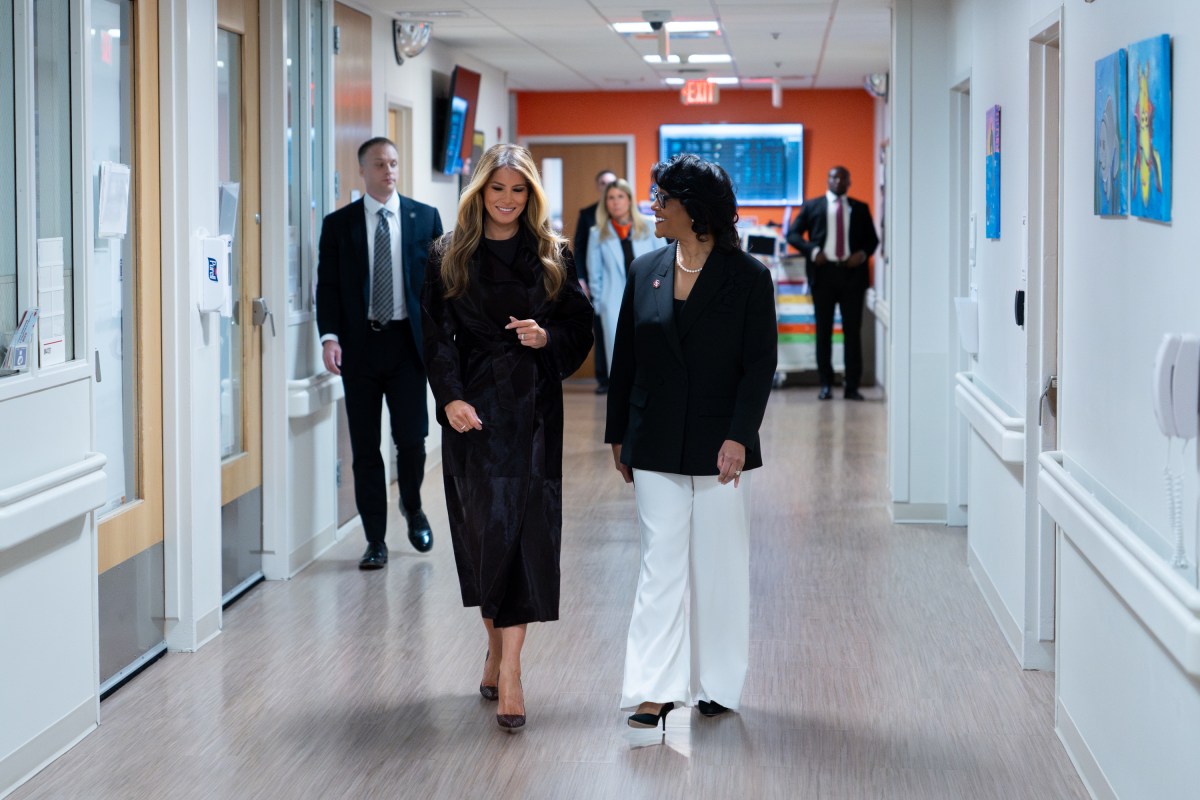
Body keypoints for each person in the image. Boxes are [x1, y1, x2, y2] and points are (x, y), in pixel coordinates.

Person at [422, 143, 594, 732]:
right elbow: (435, 337)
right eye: (497, 188)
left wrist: (546, 338)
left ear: (531, 195)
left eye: (519, 190)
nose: (507, 200)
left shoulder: (554, 253)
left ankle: (513, 671)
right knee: (483, 536)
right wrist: (450, 399)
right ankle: (493, 648)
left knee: (524, 535)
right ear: (478, 191)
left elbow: (580, 324)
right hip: (472, 413)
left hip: (534, 411)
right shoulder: (447, 254)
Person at [605, 153, 777, 730]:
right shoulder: (645, 269)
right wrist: (618, 434)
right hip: (653, 439)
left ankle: (717, 684)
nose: (653, 206)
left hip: (721, 445)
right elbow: (626, 359)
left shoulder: (748, 276)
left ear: (695, 209)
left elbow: (759, 366)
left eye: (663, 198)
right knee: (660, 564)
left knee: (719, 564)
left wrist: (740, 436)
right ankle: (653, 690)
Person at [316, 137, 443, 569]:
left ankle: (412, 505)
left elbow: (440, 285)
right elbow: (328, 286)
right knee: (366, 447)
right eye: (379, 164)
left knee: (412, 441)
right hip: (361, 348)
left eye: (393, 163)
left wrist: (444, 338)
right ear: (362, 170)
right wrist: (329, 337)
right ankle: (374, 540)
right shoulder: (340, 225)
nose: (388, 171)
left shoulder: (425, 217)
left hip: (408, 346)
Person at [786, 165, 880, 400]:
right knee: (824, 331)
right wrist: (812, 251)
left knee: (852, 332)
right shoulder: (812, 206)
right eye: (833, 177)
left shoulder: (859, 208)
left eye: (842, 178)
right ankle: (826, 384)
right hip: (823, 274)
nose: (838, 181)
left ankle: (852, 386)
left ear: (849, 182)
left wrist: (862, 255)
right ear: (828, 180)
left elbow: (872, 240)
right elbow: (793, 234)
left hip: (852, 275)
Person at [586, 178, 659, 369]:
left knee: (648, 354)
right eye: (610, 198)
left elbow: (663, 263)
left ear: (629, 199)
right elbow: (594, 273)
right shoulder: (597, 233)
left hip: (648, 299)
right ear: (605, 203)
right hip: (612, 302)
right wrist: (600, 303)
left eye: (620, 196)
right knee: (618, 357)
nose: (616, 202)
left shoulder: (650, 226)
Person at [572, 168, 618, 394]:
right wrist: (581, 278)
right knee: (600, 329)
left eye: (611, 183)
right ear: (598, 187)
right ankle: (604, 379)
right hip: (597, 280)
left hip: (619, 278)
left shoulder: (624, 213)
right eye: (603, 184)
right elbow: (579, 248)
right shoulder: (588, 214)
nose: (608, 188)